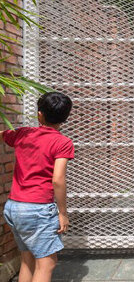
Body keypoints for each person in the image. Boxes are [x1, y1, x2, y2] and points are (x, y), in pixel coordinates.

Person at [1, 92, 74, 282]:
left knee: (28, 259)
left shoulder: (22, 133)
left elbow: (2, 135)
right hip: (37, 210)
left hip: (14, 207)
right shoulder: (62, 142)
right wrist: (63, 213)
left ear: (39, 115)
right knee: (47, 264)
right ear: (66, 116)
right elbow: (58, 179)